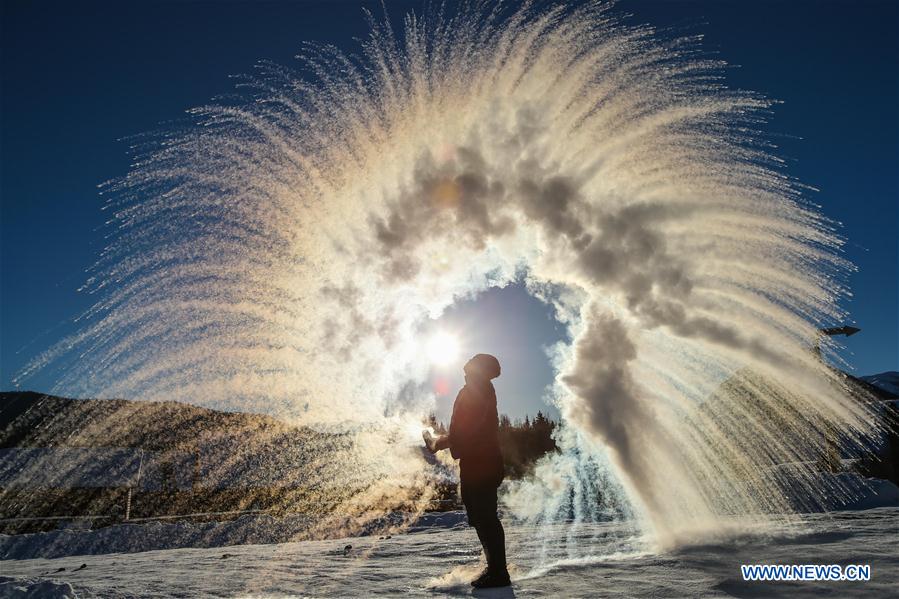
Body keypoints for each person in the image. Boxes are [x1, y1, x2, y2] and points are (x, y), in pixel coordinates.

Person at [424, 353, 510, 589]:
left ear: (477, 368)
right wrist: (440, 442)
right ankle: (495, 568)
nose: (465, 367)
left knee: (485, 518)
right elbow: (465, 431)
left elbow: (467, 430)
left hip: (482, 464)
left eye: (471, 365)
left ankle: (498, 573)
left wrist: (437, 443)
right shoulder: (477, 388)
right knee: (481, 517)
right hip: (478, 463)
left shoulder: (477, 389)